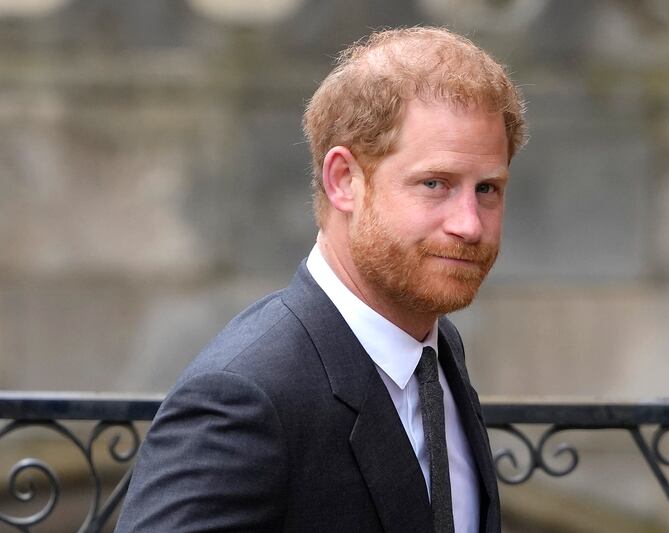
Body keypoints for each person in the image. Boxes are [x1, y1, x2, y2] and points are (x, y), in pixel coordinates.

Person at [116, 26, 526, 533]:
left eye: (487, 188)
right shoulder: (244, 395)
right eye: (434, 184)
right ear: (344, 181)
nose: (469, 223)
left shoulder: (437, 351)